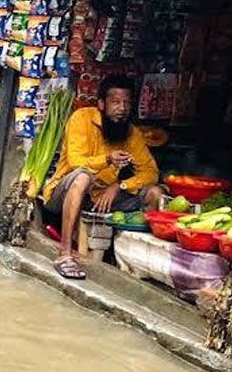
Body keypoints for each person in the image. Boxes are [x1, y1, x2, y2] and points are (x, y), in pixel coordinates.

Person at [43, 75, 165, 280]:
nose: (122, 108)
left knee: (155, 192)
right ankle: (65, 254)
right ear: (101, 103)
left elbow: (151, 172)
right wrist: (107, 159)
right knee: (83, 177)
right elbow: (76, 162)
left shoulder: (132, 133)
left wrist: (120, 186)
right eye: (115, 102)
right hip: (64, 193)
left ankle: (140, 265)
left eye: (127, 103)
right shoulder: (82, 118)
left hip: (102, 198)